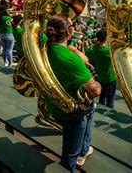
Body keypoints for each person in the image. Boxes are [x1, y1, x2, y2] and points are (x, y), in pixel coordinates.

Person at [44, 14, 101, 172]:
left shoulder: (44, 46)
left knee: (92, 108)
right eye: (72, 25)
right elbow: (95, 91)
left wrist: (74, 50)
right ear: (69, 32)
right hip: (71, 112)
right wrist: (96, 81)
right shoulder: (70, 59)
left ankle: (84, 150)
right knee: (70, 153)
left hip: (52, 104)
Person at [85, 29, 117, 108]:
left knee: (102, 97)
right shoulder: (108, 51)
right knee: (110, 99)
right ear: (106, 38)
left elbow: (87, 53)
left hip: (99, 77)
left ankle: (101, 106)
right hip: (110, 78)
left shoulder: (91, 48)